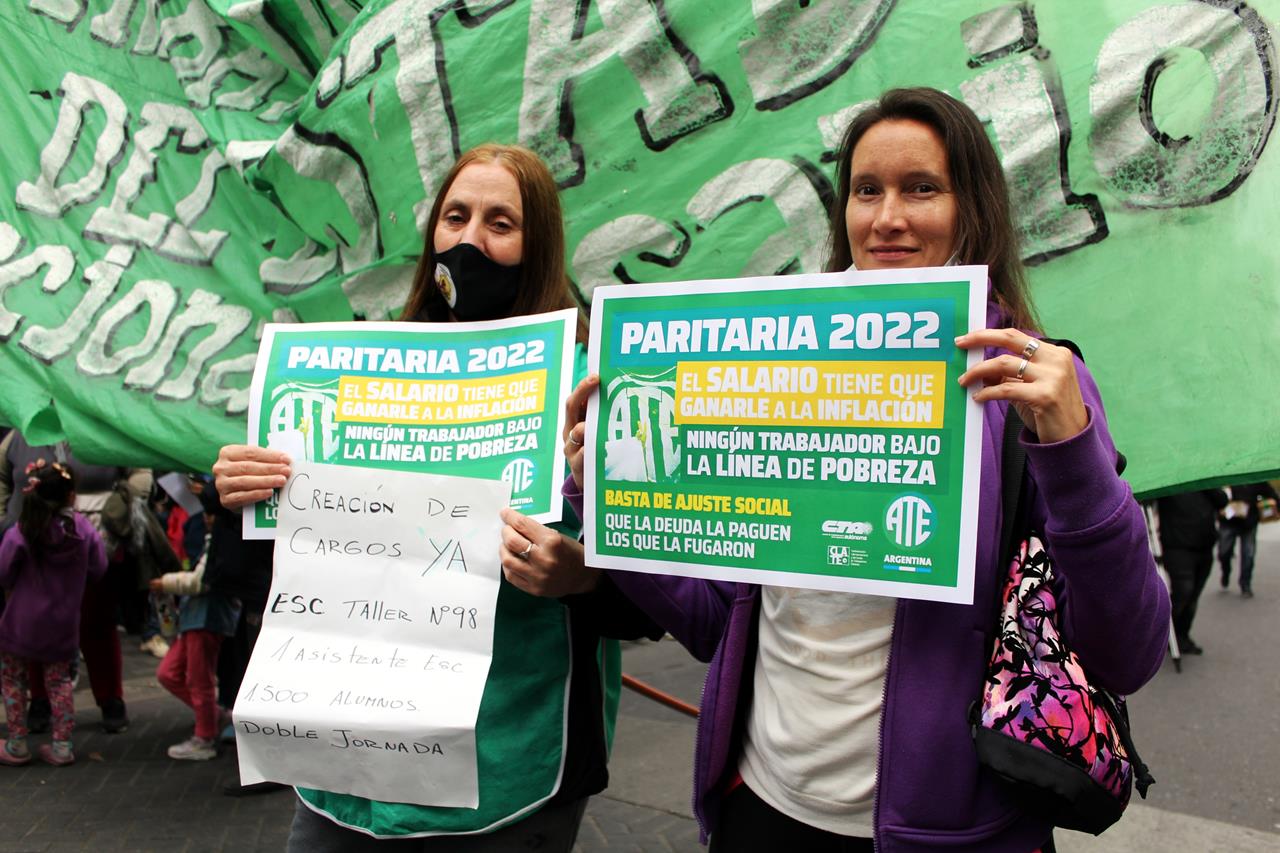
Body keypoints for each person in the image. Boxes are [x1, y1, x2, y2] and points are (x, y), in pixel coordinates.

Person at [561, 88, 1170, 852]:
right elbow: (713, 621)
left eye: (922, 188)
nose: (888, 218)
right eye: (866, 190)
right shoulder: (775, 370)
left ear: (972, 205)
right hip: (761, 810)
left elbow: (1129, 650)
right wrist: (607, 496)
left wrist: (1074, 452)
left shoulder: (1036, 386)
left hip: (945, 838)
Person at [213, 143, 660, 850]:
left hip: (509, 767)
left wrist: (585, 578)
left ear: (539, 245)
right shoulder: (356, 377)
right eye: (455, 217)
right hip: (348, 760)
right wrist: (247, 494)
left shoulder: (592, 383)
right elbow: (291, 562)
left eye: (500, 223)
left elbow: (656, 592)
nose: (469, 241)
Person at [0, 430, 148, 734]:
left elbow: (141, 471)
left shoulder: (102, 424)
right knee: (35, 630)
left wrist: (122, 503)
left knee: (98, 625)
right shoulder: (19, 434)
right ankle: (41, 703)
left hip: (92, 545)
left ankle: (109, 699)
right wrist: (5, 520)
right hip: (33, 549)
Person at [0, 460, 107, 766]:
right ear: (70, 495)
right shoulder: (82, 530)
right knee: (59, 683)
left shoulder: (24, 529)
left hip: (20, 622)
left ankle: (17, 744)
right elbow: (99, 568)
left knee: (13, 680)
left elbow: (4, 571)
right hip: (63, 622)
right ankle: (62, 746)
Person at [150, 496, 243, 761]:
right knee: (169, 673)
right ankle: (214, 717)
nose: (206, 518)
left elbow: (201, 581)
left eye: (211, 514)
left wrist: (166, 583)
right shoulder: (211, 540)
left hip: (207, 618)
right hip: (194, 618)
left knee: (199, 680)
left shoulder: (224, 543)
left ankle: (205, 736)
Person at [1156, 488, 1228, 652]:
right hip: (1177, 548)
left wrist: (1207, 485)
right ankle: (1165, 635)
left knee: (1193, 596)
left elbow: (1222, 501)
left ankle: (1182, 636)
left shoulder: (1205, 485)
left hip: (1204, 547)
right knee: (1184, 592)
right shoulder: (1168, 484)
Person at [1217, 481, 1280, 597]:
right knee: (1223, 552)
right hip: (1228, 522)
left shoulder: (1255, 480)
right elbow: (1215, 496)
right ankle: (1226, 571)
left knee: (1248, 555)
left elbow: (1272, 495)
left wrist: (1271, 508)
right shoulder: (1226, 478)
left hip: (1249, 522)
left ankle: (1245, 584)